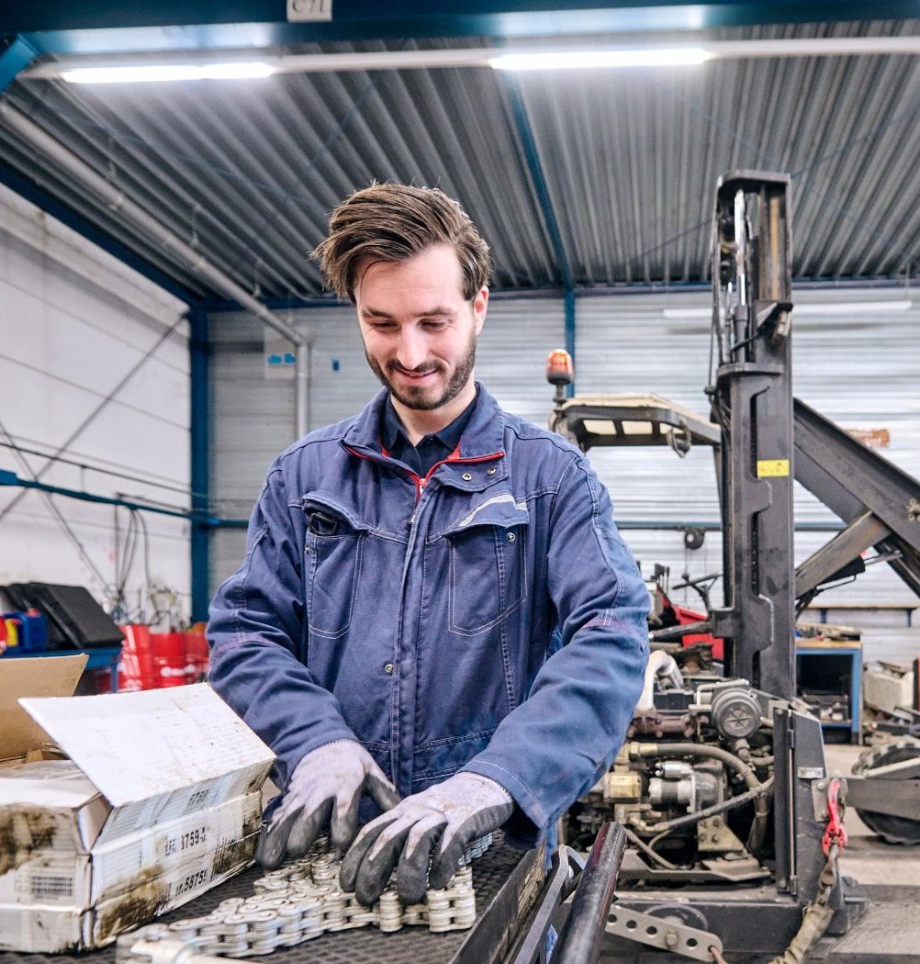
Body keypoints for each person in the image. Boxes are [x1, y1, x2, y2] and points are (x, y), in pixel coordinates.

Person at [208, 183, 649, 908]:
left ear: (479, 307)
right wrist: (314, 741)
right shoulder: (303, 478)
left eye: (433, 322)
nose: (410, 354)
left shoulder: (550, 480)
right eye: (381, 323)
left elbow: (610, 634)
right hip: (329, 849)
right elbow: (247, 633)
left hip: (491, 861)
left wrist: (497, 780)